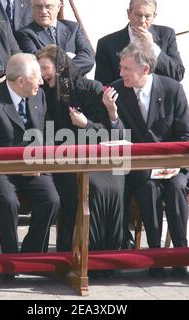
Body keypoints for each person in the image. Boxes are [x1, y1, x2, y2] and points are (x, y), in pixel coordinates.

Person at [102, 41, 189, 276]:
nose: (120, 73)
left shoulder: (173, 89)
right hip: (141, 167)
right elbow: (115, 138)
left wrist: (169, 163)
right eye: (120, 67)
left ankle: (181, 254)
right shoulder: (116, 91)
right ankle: (155, 255)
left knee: (176, 187)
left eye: (126, 69)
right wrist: (112, 113)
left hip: (173, 163)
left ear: (145, 69)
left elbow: (187, 134)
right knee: (147, 187)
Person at [35, 44, 124, 253]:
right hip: (63, 157)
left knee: (108, 185)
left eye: (44, 67)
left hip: (96, 155)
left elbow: (110, 133)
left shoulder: (91, 88)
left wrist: (87, 124)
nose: (41, 74)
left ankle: (107, 251)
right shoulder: (43, 94)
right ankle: (76, 249)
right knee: (82, 185)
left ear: (59, 66)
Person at [0, 53, 60, 255]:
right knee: (8, 202)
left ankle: (32, 254)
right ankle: (10, 257)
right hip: (2, 170)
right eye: (36, 76)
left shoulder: (38, 95)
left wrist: (41, 162)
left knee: (51, 200)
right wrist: (21, 167)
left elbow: (47, 133)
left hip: (34, 166)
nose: (41, 81)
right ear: (21, 81)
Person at [95, 0, 184, 86]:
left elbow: (178, 74)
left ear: (154, 16)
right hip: (123, 99)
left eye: (147, 16)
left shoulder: (166, 35)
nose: (142, 20)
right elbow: (103, 85)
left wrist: (152, 47)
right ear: (128, 14)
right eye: (138, 15)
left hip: (159, 99)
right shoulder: (107, 44)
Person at [16, 0, 94, 76]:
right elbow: (38, 62)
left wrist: (63, 70)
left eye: (48, 6)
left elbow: (88, 59)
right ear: (32, 8)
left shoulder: (74, 28)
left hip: (77, 85)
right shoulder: (25, 34)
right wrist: (69, 59)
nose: (43, 11)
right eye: (38, 6)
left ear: (59, 6)